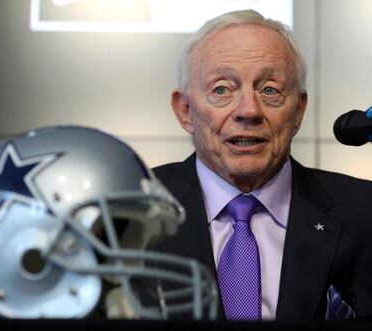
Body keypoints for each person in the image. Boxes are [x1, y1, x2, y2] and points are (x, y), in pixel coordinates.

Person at [151, 9, 372, 321]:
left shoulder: (365, 212)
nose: (248, 111)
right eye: (222, 90)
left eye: (269, 89)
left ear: (298, 110)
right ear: (185, 110)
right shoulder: (124, 210)